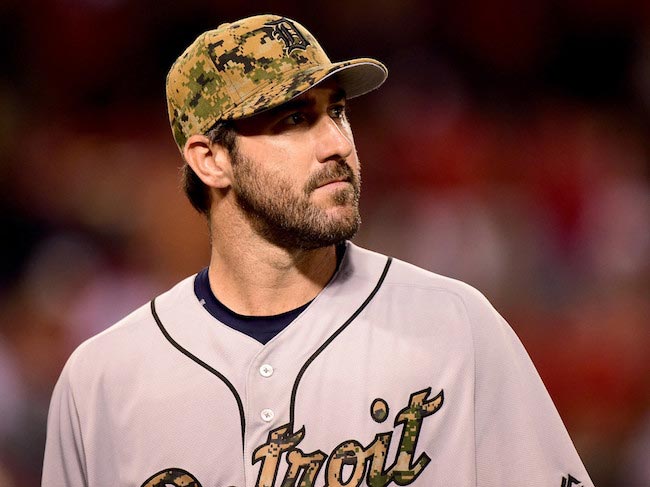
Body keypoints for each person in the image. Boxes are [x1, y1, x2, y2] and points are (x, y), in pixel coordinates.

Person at [42, 14, 594, 487]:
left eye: (337, 111)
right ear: (211, 160)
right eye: (293, 120)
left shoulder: (456, 326)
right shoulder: (101, 382)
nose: (337, 143)